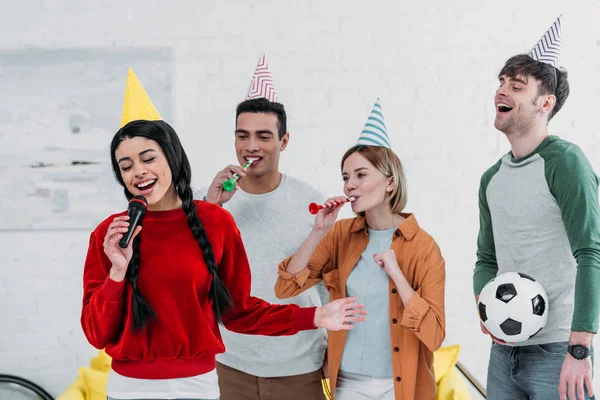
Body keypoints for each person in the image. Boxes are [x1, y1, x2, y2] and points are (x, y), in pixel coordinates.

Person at [80, 69, 366, 400]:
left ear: (171, 158)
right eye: (126, 166)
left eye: (147, 158)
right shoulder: (109, 234)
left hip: (199, 386)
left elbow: (238, 312)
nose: (138, 171)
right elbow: (96, 332)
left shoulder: (215, 221)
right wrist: (117, 272)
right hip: (128, 388)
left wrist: (315, 315)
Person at [274, 98, 446, 400]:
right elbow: (285, 288)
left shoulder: (423, 247)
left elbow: (434, 335)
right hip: (347, 384)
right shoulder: (340, 234)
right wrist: (318, 232)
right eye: (345, 177)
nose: (349, 185)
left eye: (361, 175)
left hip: (400, 387)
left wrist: (398, 276)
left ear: (390, 182)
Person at [473, 16, 600, 400]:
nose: (502, 91)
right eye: (501, 82)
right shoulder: (490, 178)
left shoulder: (565, 161)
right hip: (504, 352)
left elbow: (591, 252)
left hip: (560, 352)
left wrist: (580, 348)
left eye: (516, 85)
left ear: (546, 103)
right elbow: (485, 259)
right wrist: (485, 305)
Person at [199, 54, 330, 400]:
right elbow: (185, 270)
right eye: (243, 135)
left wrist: (338, 351)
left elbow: (332, 284)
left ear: (284, 141)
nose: (251, 146)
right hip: (228, 364)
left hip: (299, 366)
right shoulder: (208, 202)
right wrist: (212, 208)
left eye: (263, 136)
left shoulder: (312, 204)